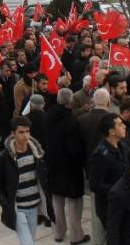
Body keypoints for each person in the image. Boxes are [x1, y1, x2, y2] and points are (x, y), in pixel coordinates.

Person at [0, 116, 48, 245]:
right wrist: (6, 205)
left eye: (27, 131)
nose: (25, 136)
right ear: (13, 134)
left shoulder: (36, 153)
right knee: (27, 242)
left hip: (34, 206)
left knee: (30, 240)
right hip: (18, 208)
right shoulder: (4, 157)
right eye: (21, 132)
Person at [45, 88, 89, 245]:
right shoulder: (70, 122)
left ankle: (58, 233)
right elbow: (74, 148)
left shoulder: (48, 117)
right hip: (70, 168)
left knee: (57, 201)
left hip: (53, 164)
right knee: (73, 204)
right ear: (70, 101)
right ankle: (76, 236)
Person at [88, 113, 128, 232]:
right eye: (120, 125)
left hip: (124, 203)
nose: (124, 126)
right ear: (111, 131)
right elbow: (94, 184)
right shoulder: (100, 155)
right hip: (111, 207)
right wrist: (118, 190)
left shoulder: (122, 146)